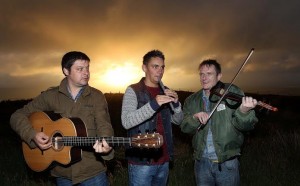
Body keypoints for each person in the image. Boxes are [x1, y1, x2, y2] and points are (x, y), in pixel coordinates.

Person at [10, 51, 114, 185]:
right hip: (62, 173)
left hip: (91, 171)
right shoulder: (50, 96)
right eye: (80, 69)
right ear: (66, 71)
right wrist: (32, 135)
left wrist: (106, 146)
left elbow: (104, 125)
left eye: (87, 68)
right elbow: (17, 116)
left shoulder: (97, 96)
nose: (86, 73)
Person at [180, 59, 258, 186]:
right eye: (201, 74)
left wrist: (243, 112)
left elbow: (246, 126)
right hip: (201, 162)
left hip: (227, 162)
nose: (204, 78)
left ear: (219, 76)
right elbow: (184, 127)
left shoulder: (232, 92)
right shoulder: (191, 100)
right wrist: (194, 118)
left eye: (209, 74)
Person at [121, 49, 183, 186]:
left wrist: (177, 104)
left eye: (162, 67)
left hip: (164, 159)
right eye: (155, 66)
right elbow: (126, 121)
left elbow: (178, 120)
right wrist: (154, 104)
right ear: (144, 68)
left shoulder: (165, 90)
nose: (160, 71)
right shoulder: (133, 90)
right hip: (141, 161)